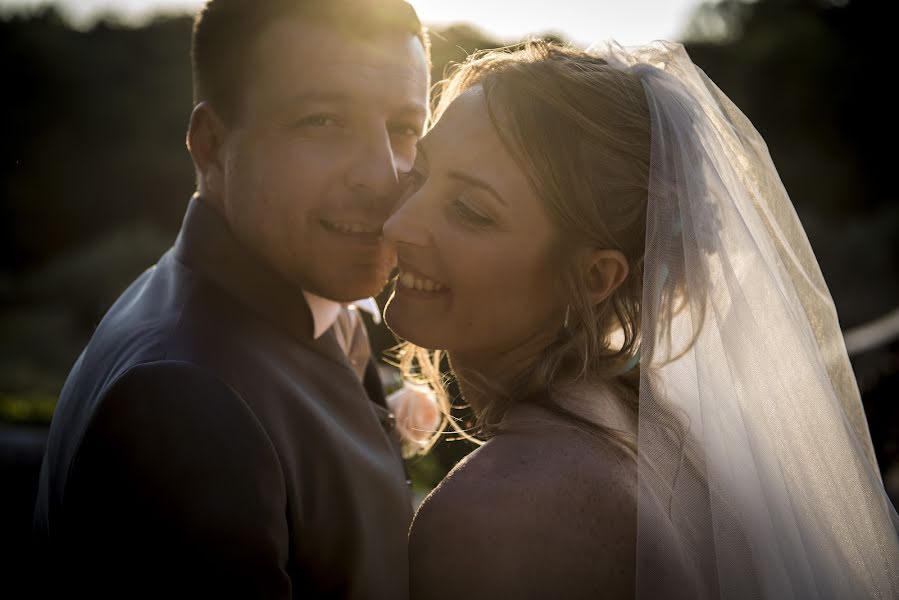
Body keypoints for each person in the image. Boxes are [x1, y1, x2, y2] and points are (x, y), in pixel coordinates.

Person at [383, 40, 899, 599]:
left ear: (593, 278)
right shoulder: (651, 435)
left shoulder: (500, 515)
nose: (398, 225)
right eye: (418, 173)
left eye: (471, 211)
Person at [32, 0, 430, 597]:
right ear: (211, 143)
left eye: (404, 128)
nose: (383, 174)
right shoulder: (183, 398)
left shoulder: (287, 301)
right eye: (323, 121)